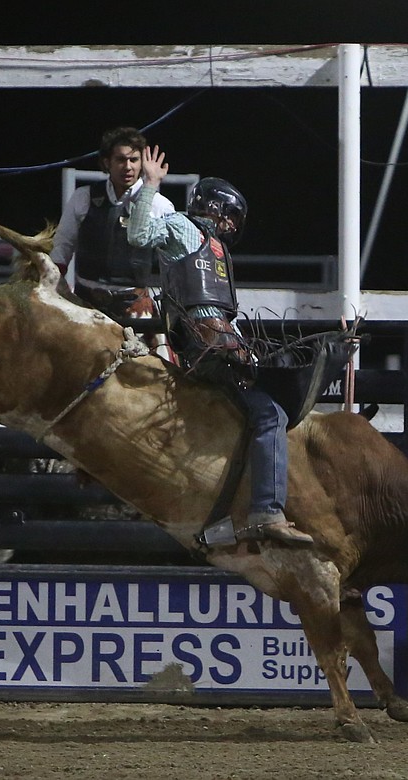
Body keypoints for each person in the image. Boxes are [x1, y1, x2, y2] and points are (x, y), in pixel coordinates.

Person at [125, 144, 313, 547]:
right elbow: (139, 234)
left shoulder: (216, 250)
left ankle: (235, 511)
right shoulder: (181, 228)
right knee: (270, 415)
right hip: (204, 344)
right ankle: (266, 508)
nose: (231, 224)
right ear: (215, 209)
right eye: (229, 215)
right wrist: (150, 185)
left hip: (219, 339)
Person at [50, 126, 177, 318]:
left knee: (162, 349)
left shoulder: (160, 206)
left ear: (142, 163)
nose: (128, 167)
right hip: (85, 306)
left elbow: (174, 264)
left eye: (134, 160)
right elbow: (62, 247)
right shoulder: (83, 197)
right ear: (106, 162)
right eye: (120, 159)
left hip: (136, 308)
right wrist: (52, 287)